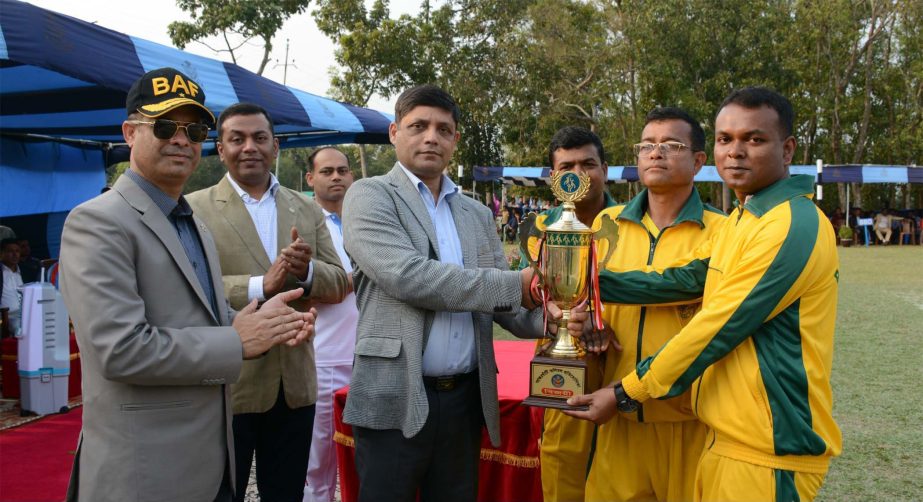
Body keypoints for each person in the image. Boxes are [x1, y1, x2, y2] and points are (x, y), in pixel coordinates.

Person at [563, 87, 841, 501]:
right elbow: (680, 282)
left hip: (769, 450)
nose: (736, 151)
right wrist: (578, 279)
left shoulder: (792, 224)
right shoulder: (742, 221)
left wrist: (625, 392)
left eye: (755, 139)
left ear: (788, 149)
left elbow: (716, 327)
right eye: (726, 139)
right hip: (725, 441)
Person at [59, 68, 315, 502]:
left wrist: (263, 324)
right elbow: (119, 350)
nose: (182, 139)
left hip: (211, 463)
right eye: (164, 126)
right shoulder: (97, 221)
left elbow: (202, 318)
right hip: (146, 472)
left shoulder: (190, 219)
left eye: (194, 129)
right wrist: (237, 341)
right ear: (129, 132)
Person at [341, 84, 543, 502]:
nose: (431, 136)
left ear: (454, 140)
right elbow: (408, 277)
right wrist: (516, 286)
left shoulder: (475, 212)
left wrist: (554, 313)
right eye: (418, 126)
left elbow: (505, 307)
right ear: (395, 132)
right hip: (393, 393)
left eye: (443, 129)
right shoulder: (369, 195)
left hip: (464, 398)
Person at [187, 103, 349, 502]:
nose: (249, 147)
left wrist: (305, 272)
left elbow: (340, 281)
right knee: (222, 491)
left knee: (287, 492)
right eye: (236, 139)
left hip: (294, 383)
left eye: (259, 138)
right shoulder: (193, 209)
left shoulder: (304, 206)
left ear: (275, 146)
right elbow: (188, 285)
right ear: (220, 149)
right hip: (229, 382)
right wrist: (262, 284)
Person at [581, 108, 726, 502]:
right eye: (647, 145)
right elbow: (579, 305)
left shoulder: (725, 230)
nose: (656, 153)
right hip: (617, 415)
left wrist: (594, 285)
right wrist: (589, 322)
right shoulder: (604, 225)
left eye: (671, 145)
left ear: (698, 161)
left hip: (692, 421)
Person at [519, 126, 618, 502]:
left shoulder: (632, 224)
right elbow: (527, 301)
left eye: (588, 163)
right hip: (563, 368)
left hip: (624, 366)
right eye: (567, 166)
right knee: (564, 471)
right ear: (553, 177)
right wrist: (565, 318)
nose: (580, 172)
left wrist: (605, 320)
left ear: (605, 169)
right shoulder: (540, 231)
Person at [302, 146, 359, 502]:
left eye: (342, 170)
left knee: (368, 463)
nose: (336, 176)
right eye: (327, 171)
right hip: (323, 360)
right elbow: (306, 287)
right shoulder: (304, 225)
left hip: (370, 359)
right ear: (310, 179)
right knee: (318, 467)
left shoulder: (364, 222)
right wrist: (358, 278)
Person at [0, 239, 24, 335]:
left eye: (17, 251)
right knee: (21, 330)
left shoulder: (24, 270)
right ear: (1, 253)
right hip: (6, 315)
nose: (15, 254)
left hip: (25, 313)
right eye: (10, 251)